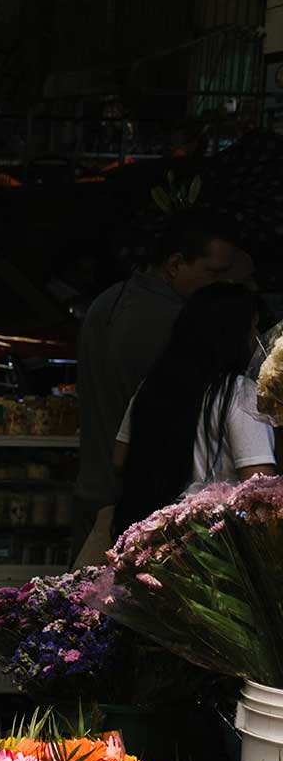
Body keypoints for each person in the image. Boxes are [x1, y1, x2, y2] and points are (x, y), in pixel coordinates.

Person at [74, 208, 240, 544]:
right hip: (133, 509)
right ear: (175, 264)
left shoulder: (108, 302)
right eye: (213, 274)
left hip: (96, 490)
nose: (222, 287)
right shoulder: (174, 325)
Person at [112, 282, 278, 533]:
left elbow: (119, 458)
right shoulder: (239, 392)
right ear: (232, 335)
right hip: (213, 543)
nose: (257, 336)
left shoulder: (153, 386)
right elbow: (259, 484)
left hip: (151, 535)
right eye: (253, 326)